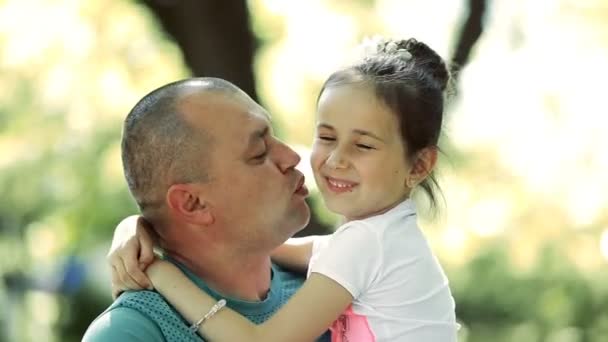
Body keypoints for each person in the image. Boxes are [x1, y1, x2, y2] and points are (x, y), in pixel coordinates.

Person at [109, 37, 459, 341]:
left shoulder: (365, 246)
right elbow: (293, 250)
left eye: (364, 146)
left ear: (419, 166)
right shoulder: (379, 238)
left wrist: (157, 270)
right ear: (192, 203)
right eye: (326, 138)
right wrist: (144, 230)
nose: (334, 159)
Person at [82, 77, 330, 341]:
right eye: (259, 153)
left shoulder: (331, 279)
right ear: (193, 203)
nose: (291, 157)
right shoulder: (132, 332)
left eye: (274, 134)